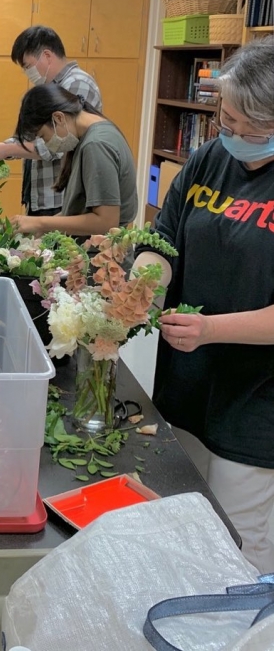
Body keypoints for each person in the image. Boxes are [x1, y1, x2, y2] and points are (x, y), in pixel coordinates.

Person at [133, 37, 274, 574]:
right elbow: (163, 237)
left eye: (251, 130)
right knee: (182, 524)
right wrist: (146, 284)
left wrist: (211, 329)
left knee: (237, 549)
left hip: (254, 403)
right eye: (226, 120)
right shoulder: (210, 157)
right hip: (187, 380)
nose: (233, 136)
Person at [0, 26, 102, 217]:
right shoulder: (49, 89)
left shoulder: (77, 84)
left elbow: (59, 144)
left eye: (28, 66)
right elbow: (29, 137)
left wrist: (6, 149)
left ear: (47, 55)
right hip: (42, 196)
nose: (27, 72)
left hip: (61, 198)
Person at [10, 84, 137, 236]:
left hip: (99, 256)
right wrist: (42, 230)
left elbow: (106, 222)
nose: (46, 143)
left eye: (43, 136)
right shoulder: (91, 135)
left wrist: (39, 223)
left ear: (58, 117)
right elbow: (79, 211)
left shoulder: (96, 144)